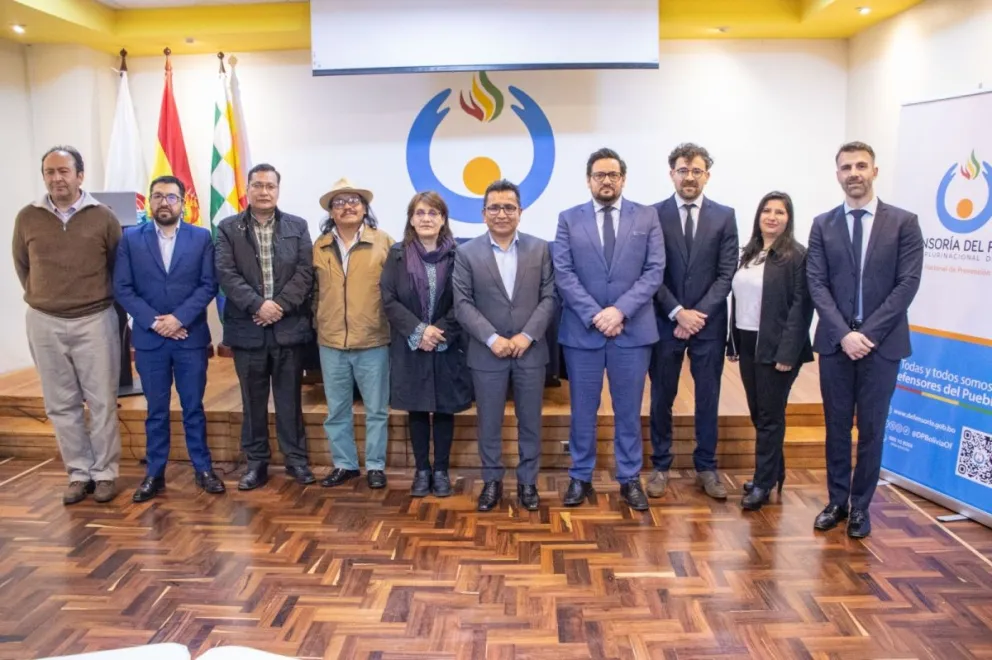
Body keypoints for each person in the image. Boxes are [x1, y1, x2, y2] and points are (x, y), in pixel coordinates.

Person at [807, 141, 923, 538]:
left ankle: (861, 507)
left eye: (861, 166)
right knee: (836, 426)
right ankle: (837, 501)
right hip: (835, 345)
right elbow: (816, 284)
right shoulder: (823, 224)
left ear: (874, 171)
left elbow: (907, 284)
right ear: (837, 174)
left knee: (872, 428)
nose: (853, 173)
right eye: (845, 167)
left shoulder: (904, 222)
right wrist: (844, 334)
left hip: (882, 345)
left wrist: (866, 335)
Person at [553, 148, 665, 511]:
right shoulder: (569, 219)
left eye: (613, 174)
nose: (606, 180)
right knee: (582, 410)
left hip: (631, 332)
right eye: (599, 174)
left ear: (623, 179)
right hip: (583, 332)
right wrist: (595, 314)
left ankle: (629, 478)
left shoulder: (647, 217)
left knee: (628, 410)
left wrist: (619, 311)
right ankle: (580, 477)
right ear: (589, 180)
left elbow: (654, 271)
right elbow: (564, 273)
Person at [12, 146, 123, 505]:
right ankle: (79, 473)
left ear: (80, 174)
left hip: (94, 318)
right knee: (60, 404)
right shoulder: (27, 217)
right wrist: (44, 298)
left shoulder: (103, 216)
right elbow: (23, 265)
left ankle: (105, 473)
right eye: (49, 172)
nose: (56, 178)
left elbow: (118, 266)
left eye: (63, 171)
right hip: (45, 321)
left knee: (103, 401)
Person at [114, 175, 224, 502]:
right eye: (158, 196)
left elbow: (208, 284)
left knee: (193, 407)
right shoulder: (131, 239)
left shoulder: (201, 238)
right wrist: (154, 321)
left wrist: (178, 319)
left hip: (189, 338)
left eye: (172, 197)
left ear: (182, 203)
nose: (165, 202)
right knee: (156, 410)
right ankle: (155, 473)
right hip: (151, 341)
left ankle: (202, 468)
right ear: (149, 202)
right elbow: (122, 288)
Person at [453, 179, 555, 512]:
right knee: (489, 422)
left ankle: (528, 483)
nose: (502, 213)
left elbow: (550, 297)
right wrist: (493, 339)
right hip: (487, 353)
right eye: (494, 207)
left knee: (530, 421)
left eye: (509, 207)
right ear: (483, 214)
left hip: (530, 352)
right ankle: (492, 482)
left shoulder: (540, 249)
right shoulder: (466, 253)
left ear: (520, 212)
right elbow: (462, 304)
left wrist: (527, 336)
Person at [215, 163, 316, 491]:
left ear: (278, 190)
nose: (263, 191)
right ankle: (256, 462)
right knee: (252, 400)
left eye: (270, 186)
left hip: (288, 329)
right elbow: (226, 274)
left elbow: (305, 272)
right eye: (257, 185)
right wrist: (258, 305)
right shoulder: (229, 228)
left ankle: (296, 459)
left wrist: (279, 306)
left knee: (289, 399)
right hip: (248, 329)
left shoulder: (297, 226)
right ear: (248, 189)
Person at [649, 143, 739, 501]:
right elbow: (651, 271)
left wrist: (696, 315)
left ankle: (706, 467)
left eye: (696, 171)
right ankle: (660, 465)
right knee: (661, 397)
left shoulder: (724, 215)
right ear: (672, 174)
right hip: (664, 322)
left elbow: (726, 271)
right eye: (683, 170)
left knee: (708, 397)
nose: (689, 177)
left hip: (709, 325)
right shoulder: (652, 215)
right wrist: (677, 312)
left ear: (707, 175)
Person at [380, 192, 472, 497]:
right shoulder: (396, 254)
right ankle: (422, 470)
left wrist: (439, 331)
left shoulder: (459, 255)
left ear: (443, 219)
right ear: (411, 219)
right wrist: (420, 331)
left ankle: (441, 470)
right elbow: (389, 300)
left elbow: (464, 300)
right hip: (410, 344)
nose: (426, 218)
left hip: (447, 344)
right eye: (420, 213)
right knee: (417, 410)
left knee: (444, 409)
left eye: (433, 213)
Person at [727, 191, 813, 511]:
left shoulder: (796, 256)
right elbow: (740, 301)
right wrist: (733, 342)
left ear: (789, 219)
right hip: (749, 343)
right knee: (759, 413)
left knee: (769, 417)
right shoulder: (750, 253)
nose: (772, 216)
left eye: (780, 212)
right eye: (767, 210)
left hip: (778, 348)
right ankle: (774, 471)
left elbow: (801, 309)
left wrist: (787, 354)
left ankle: (763, 483)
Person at [313, 178, 394, 490]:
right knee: (337, 411)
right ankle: (344, 464)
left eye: (354, 201)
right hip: (331, 341)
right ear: (331, 212)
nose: (347, 206)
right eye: (339, 202)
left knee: (376, 410)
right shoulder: (318, 246)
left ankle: (375, 465)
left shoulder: (383, 242)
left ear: (364, 208)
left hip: (373, 339)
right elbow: (313, 292)